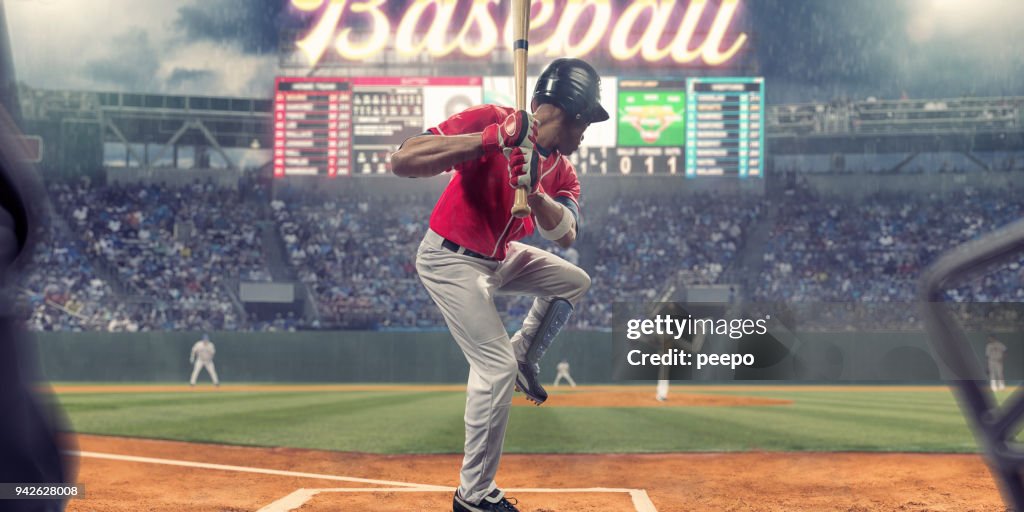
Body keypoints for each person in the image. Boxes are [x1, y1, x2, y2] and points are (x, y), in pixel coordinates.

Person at [391, 58, 607, 512]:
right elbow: (403, 160)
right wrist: (490, 142)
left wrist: (536, 191)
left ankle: (526, 351)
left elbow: (565, 233)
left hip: (498, 258)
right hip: (447, 258)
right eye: (586, 117)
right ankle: (473, 496)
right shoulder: (494, 120)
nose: (587, 129)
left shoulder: (562, 169)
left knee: (573, 281)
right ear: (564, 111)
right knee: (494, 369)